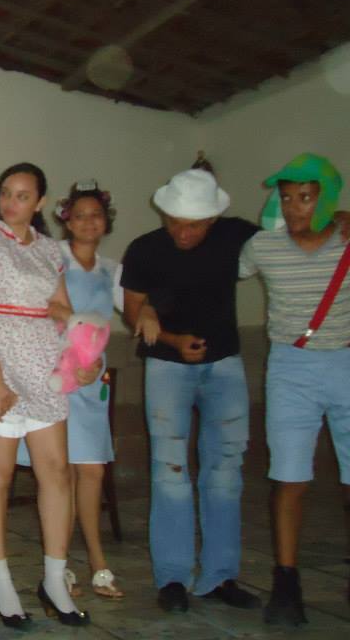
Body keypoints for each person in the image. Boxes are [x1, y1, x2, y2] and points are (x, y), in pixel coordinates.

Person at [0, 163, 97, 629]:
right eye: (6, 193)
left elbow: (62, 310)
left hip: (44, 363)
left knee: (56, 472)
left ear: (39, 203)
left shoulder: (49, 249)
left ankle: (55, 579)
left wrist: (81, 355)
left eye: (22, 196)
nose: (11, 202)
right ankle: (0, 581)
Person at [121, 167, 261, 613]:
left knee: (225, 473)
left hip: (225, 366)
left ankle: (219, 576)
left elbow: (286, 236)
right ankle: (173, 578)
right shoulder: (144, 249)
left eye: (194, 225)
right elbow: (132, 310)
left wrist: (335, 219)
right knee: (171, 473)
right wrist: (170, 338)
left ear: (213, 219)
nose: (183, 232)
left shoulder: (237, 235)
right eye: (175, 222)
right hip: (167, 368)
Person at [238, 153, 350, 626]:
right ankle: (286, 584)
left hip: (346, 361)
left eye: (305, 197)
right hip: (290, 367)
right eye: (286, 198)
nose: (294, 207)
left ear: (326, 199)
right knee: (289, 478)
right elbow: (217, 271)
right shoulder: (263, 247)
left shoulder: (347, 241)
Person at [51, 180, 125, 599]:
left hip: (92, 377)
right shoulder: (54, 258)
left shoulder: (112, 269)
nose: (88, 222)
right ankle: (59, 565)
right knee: (61, 473)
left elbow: (133, 304)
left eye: (95, 215)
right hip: (60, 375)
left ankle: (97, 560)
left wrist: (149, 313)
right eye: (79, 216)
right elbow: (48, 308)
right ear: (67, 221)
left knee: (92, 470)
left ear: (105, 220)